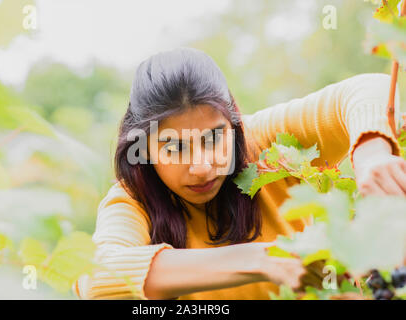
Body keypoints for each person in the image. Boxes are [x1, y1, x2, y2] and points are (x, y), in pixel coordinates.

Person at [74, 47, 406, 300]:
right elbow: (98, 277)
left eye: (215, 137)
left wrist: (372, 154)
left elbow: (364, 89)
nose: (202, 166)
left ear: (233, 124)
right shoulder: (132, 202)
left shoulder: (265, 145)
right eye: (174, 148)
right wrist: (262, 259)